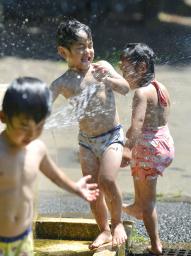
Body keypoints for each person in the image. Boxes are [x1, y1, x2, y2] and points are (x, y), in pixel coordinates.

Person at [50, 17, 130, 249]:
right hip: (86, 142)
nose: (88, 51)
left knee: (107, 179)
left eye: (90, 44)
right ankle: (104, 230)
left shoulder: (102, 67)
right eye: (81, 47)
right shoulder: (64, 82)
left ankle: (117, 224)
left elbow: (125, 88)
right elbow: (44, 101)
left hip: (112, 136)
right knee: (93, 189)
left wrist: (111, 78)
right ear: (63, 52)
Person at [0, 77, 99, 256]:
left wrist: (75, 187)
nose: (31, 134)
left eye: (39, 127)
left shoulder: (37, 149)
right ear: (3, 117)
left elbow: (55, 175)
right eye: (24, 126)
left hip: (23, 238)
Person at [119, 43, 175, 255]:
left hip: (149, 151)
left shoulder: (141, 93)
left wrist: (126, 149)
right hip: (163, 143)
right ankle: (136, 205)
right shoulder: (160, 87)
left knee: (149, 203)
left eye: (126, 70)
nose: (124, 75)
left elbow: (137, 124)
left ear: (142, 67)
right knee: (140, 185)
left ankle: (155, 245)